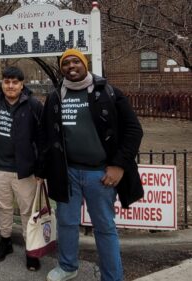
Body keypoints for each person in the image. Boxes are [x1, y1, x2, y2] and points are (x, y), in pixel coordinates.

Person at [36, 49, 143, 281]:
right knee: (66, 223)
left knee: (104, 228)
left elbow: (134, 131)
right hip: (67, 173)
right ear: (61, 68)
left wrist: (119, 165)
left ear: (85, 64)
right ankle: (67, 266)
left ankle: (112, 276)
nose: (71, 66)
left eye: (76, 61)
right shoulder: (56, 96)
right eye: (66, 63)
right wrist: (42, 170)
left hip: (100, 174)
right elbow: (46, 136)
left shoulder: (108, 93)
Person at [0, 66, 43, 271]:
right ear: (2, 83)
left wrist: (40, 167)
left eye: (15, 82)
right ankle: (5, 241)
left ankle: (31, 249)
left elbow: (42, 139)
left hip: (25, 170)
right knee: (4, 207)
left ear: (22, 84)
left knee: (27, 211)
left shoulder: (33, 105)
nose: (10, 86)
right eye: (7, 82)